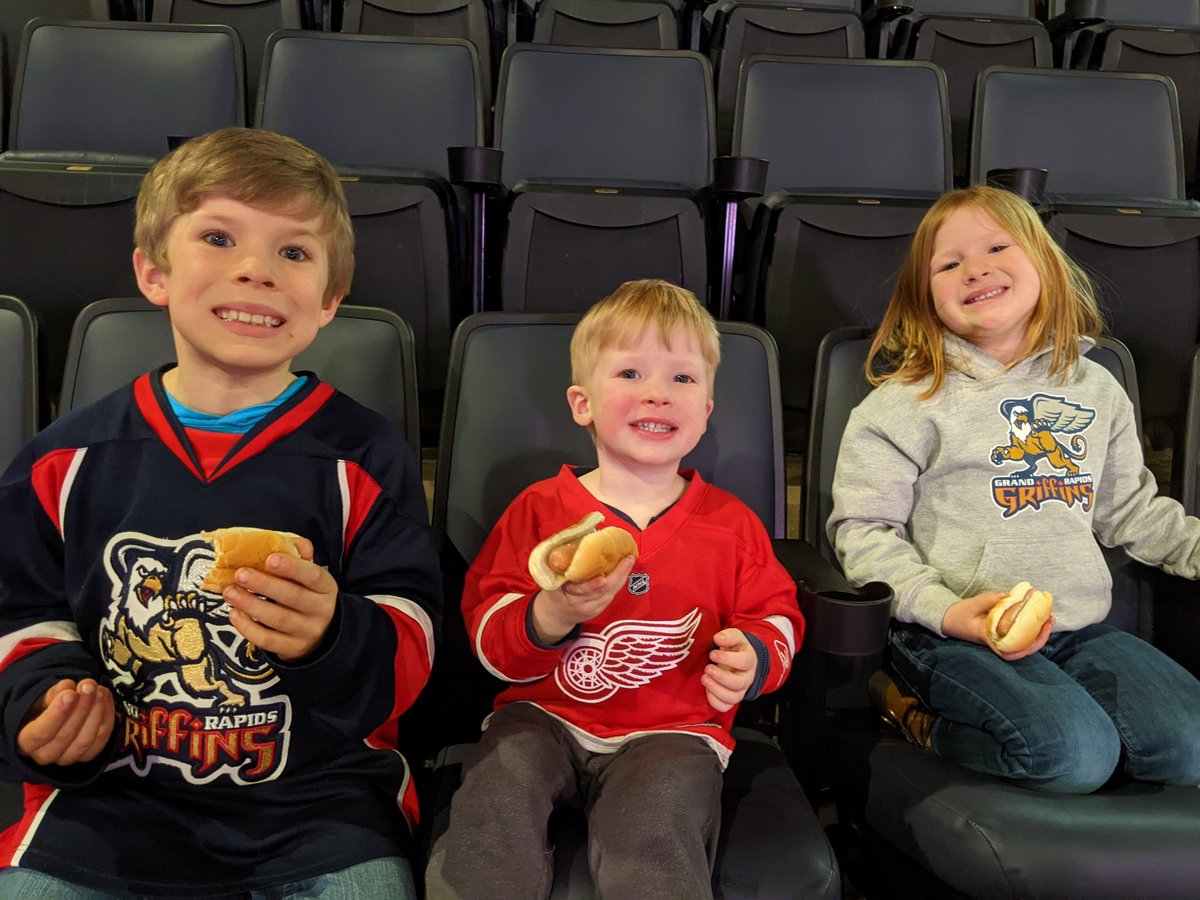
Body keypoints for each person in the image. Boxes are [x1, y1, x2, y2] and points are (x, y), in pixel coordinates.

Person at [0, 127, 442, 896]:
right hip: (108, 805)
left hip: (320, 808)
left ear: (331, 299)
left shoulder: (365, 460)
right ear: (153, 272)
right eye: (217, 237)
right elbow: (18, 613)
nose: (255, 270)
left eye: (294, 253)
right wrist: (45, 695)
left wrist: (333, 635)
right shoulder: (59, 463)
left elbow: (415, 643)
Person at [425, 279, 804, 899]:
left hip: (675, 730)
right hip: (540, 716)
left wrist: (755, 656)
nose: (657, 392)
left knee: (654, 833)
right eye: (630, 373)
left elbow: (777, 614)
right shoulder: (539, 511)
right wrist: (549, 612)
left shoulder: (731, 524)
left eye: (682, 379)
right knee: (493, 807)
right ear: (582, 403)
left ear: (706, 410)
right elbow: (489, 639)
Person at [828, 185, 1200, 793]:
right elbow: (864, 532)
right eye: (948, 265)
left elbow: (1130, 513)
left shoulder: (1096, 388)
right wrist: (943, 610)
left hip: (1077, 629)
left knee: (1192, 751)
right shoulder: (901, 404)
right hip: (949, 635)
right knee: (1073, 757)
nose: (975, 268)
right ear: (926, 299)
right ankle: (915, 716)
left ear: (1044, 264)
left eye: (997, 247)